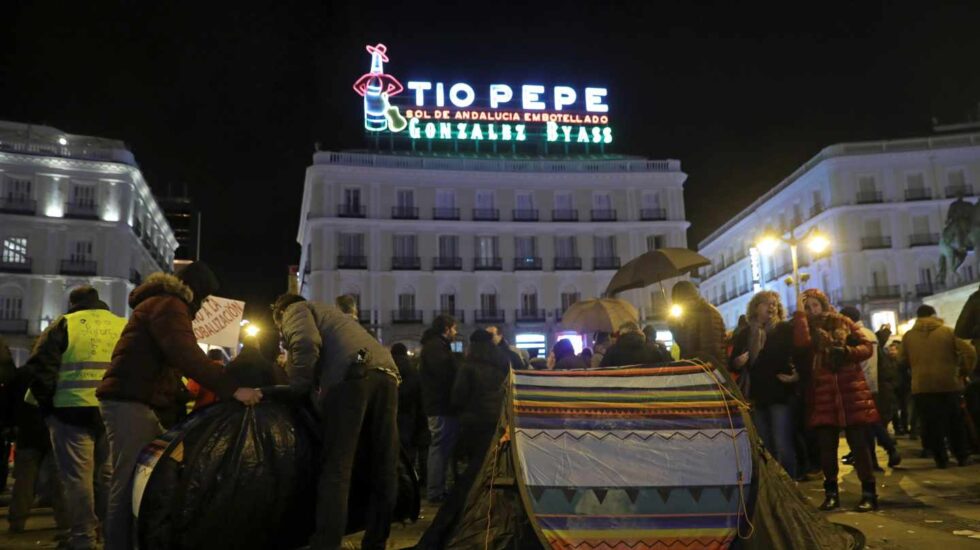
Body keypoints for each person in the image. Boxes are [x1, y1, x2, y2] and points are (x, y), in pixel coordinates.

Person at [97, 263, 261, 550]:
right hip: (130, 401)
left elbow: (166, 361)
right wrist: (233, 389)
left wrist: (181, 394)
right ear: (195, 290)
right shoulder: (170, 304)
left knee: (141, 477)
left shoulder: (160, 302)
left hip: (134, 400)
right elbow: (185, 353)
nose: (205, 304)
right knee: (128, 481)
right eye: (206, 297)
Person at [272, 293, 400, 550]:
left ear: (280, 313)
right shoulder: (334, 316)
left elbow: (306, 343)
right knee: (383, 464)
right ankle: (376, 541)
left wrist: (297, 385)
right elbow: (359, 351)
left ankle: (326, 543)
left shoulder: (296, 309)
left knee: (337, 468)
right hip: (386, 374)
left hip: (353, 379)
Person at [25, 286, 125, 550]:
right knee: (108, 477)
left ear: (73, 303)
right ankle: (110, 536)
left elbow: (40, 367)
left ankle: (84, 538)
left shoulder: (64, 324)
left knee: (77, 479)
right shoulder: (122, 325)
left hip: (70, 412)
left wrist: (47, 408)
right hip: (112, 412)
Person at [792, 288, 879, 512]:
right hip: (824, 393)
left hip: (850, 390)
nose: (812, 310)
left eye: (814, 305)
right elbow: (801, 343)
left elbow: (867, 347)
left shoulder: (843, 321)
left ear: (823, 303)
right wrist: (800, 314)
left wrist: (848, 352)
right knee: (827, 448)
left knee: (859, 446)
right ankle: (831, 492)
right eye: (807, 306)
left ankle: (869, 492)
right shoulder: (807, 327)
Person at [729, 290, 798, 479]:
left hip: (779, 393)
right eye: (767, 303)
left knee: (782, 443)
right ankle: (773, 484)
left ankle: (789, 482)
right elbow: (732, 361)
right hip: (757, 396)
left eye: (775, 303)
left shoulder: (783, 329)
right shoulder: (746, 333)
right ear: (756, 307)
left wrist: (794, 376)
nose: (772, 306)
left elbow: (795, 356)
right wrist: (738, 362)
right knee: (765, 444)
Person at [900, 304, 975, 468]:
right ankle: (961, 455)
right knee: (954, 422)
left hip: (921, 386)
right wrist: (964, 371)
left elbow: (901, 359)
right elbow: (969, 351)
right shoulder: (948, 332)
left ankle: (941, 459)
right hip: (949, 383)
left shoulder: (909, 336)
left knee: (931, 424)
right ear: (934, 315)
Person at [838, 306, 901, 470]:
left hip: (860, 385)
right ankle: (883, 453)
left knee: (866, 425)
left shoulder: (855, 336)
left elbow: (861, 362)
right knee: (870, 423)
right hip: (873, 384)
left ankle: (881, 454)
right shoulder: (870, 334)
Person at [419, 314, 459, 503]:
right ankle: (435, 491)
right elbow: (444, 375)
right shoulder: (436, 348)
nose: (456, 332)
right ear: (446, 328)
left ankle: (438, 489)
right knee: (439, 448)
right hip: (440, 405)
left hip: (440, 405)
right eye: (454, 328)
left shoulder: (435, 346)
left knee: (441, 447)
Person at [669, 281, 727, 367]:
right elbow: (684, 346)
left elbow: (710, 349)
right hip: (695, 370)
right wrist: (673, 325)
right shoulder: (688, 316)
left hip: (710, 371)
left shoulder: (707, 313)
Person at [392, 342, 428, 482]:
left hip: (394, 412)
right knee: (409, 451)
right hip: (409, 414)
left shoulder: (388, 367)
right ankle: (410, 479)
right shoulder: (412, 370)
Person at [600, 322, 671, 367]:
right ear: (638, 332)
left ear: (621, 333)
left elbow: (602, 373)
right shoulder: (652, 350)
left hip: (620, 390)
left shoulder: (611, 352)